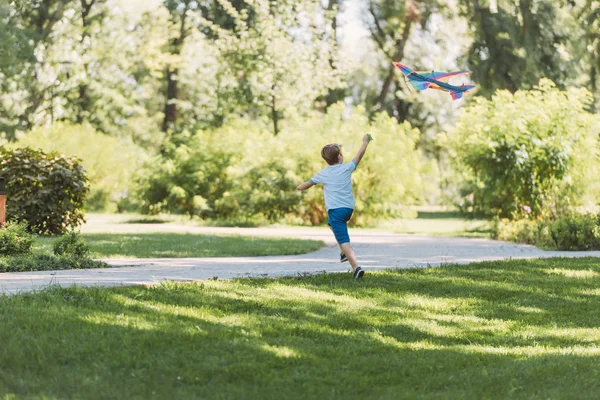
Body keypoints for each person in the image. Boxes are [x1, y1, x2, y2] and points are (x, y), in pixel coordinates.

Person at [297, 134, 371, 280]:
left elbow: (308, 183)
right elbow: (359, 155)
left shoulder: (323, 173)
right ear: (340, 157)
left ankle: (356, 268)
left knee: (344, 240)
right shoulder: (347, 168)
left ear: (326, 160)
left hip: (336, 211)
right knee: (331, 224)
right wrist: (365, 142)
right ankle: (343, 253)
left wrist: (300, 187)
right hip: (348, 210)